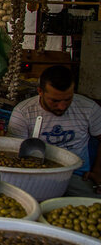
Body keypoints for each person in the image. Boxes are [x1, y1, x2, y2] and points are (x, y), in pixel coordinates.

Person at [8, 66, 101, 197]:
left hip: (77, 176)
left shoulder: (89, 108)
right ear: (40, 91)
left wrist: (98, 171)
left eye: (68, 99)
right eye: (55, 101)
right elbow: (14, 152)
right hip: (36, 176)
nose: (62, 106)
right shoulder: (23, 113)